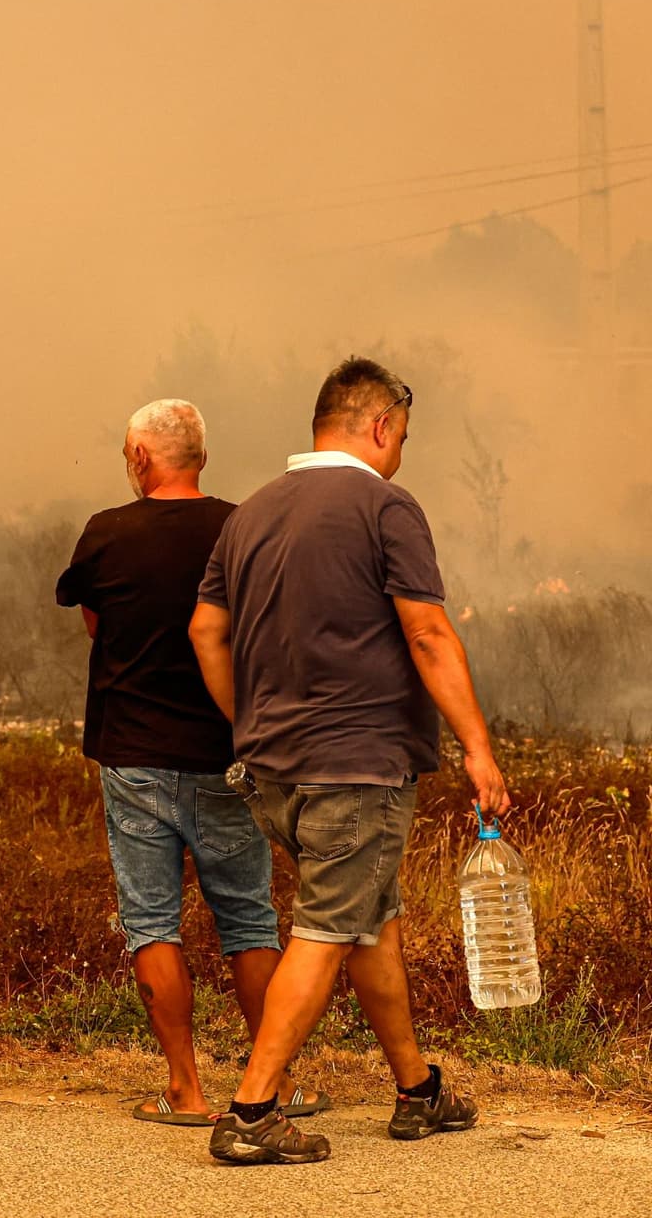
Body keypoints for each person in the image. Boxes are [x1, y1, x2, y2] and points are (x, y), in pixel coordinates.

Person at [190, 358, 511, 1165]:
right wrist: (477, 746)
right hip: (357, 765)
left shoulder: (252, 511)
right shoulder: (386, 505)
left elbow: (205, 629)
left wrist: (248, 720)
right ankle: (253, 1111)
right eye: (401, 433)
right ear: (380, 425)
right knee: (330, 927)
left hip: (271, 769)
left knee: (370, 915)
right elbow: (429, 633)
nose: (401, 448)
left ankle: (417, 1089)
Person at [56, 400, 322, 1126]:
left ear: (142, 458)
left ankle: (185, 1087)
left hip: (134, 754)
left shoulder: (106, 533)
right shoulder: (242, 528)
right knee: (248, 920)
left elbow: (95, 625)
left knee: (152, 923)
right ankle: (276, 1083)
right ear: (200, 456)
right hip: (226, 756)